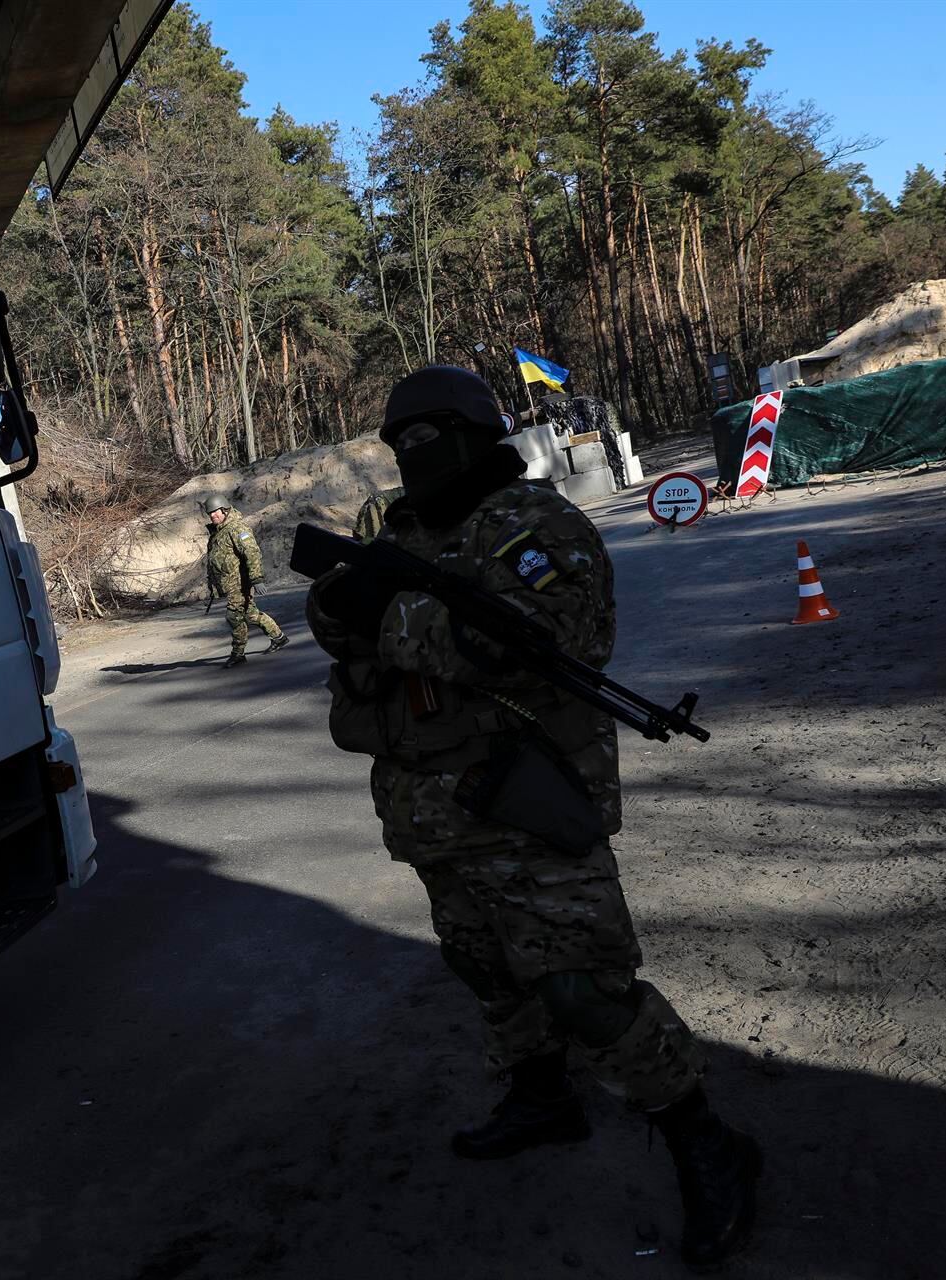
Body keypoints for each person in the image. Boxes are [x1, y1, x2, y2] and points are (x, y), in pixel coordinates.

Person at [304, 365, 759, 1267]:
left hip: (529, 804)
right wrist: (360, 608)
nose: (417, 455)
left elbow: (536, 644)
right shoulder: (400, 532)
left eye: (433, 435)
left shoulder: (537, 526)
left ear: (478, 433)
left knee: (584, 989)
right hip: (431, 814)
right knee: (490, 971)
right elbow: (329, 615)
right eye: (404, 442)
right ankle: (541, 1097)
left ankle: (704, 1141)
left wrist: (387, 619)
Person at [203, 495, 288, 669]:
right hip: (229, 583)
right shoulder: (218, 532)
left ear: (225, 510)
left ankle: (238, 654)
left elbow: (252, 553)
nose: (213, 516)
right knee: (250, 614)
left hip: (240, 583)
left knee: (233, 616)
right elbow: (216, 561)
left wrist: (256, 579)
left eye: (215, 512)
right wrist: (213, 585)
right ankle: (279, 637)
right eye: (210, 514)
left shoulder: (237, 529)